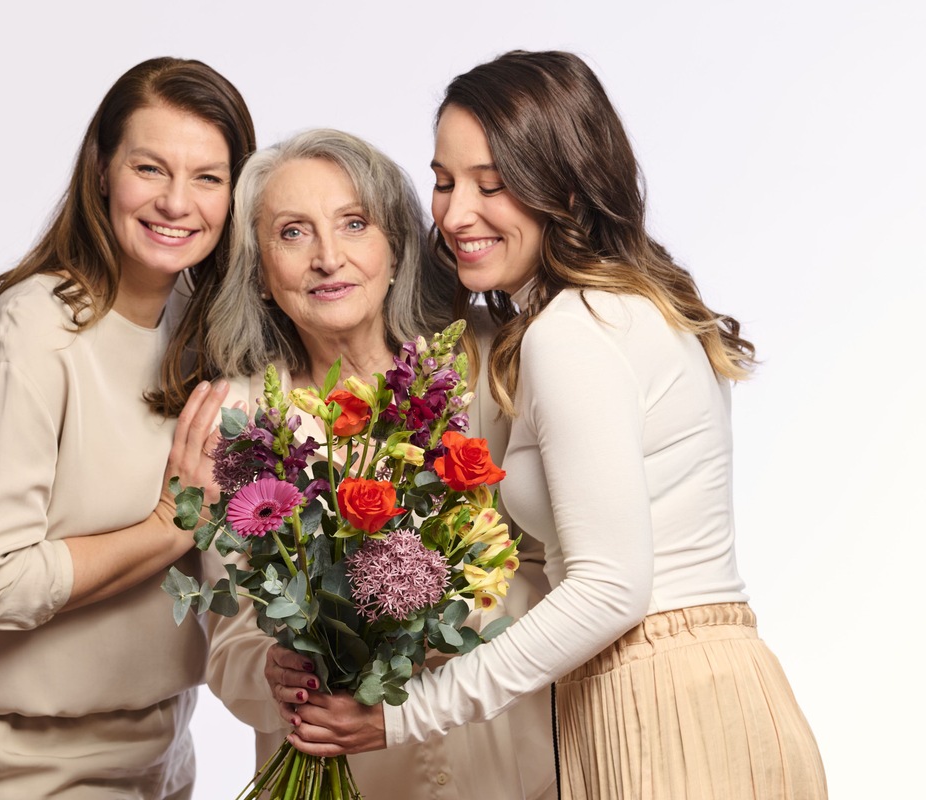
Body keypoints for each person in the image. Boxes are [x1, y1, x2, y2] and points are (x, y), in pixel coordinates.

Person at [268, 52, 829, 799]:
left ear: (563, 186)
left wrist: (402, 717)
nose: (456, 213)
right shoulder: (629, 304)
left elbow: (607, 589)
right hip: (703, 689)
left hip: (658, 707)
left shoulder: (573, 331)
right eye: (444, 181)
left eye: (491, 185)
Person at [0, 57, 255, 799]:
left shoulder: (205, 328)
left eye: (208, 178)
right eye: (150, 168)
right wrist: (166, 528)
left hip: (159, 742)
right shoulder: (38, 327)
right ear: (101, 169)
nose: (176, 202)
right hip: (25, 759)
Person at [202, 128, 557, 800]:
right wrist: (270, 668)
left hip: (511, 767)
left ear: (395, 248)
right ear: (259, 272)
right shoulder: (244, 418)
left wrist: (428, 617)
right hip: (343, 777)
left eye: (353, 224)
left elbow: (563, 569)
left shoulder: (487, 366)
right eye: (293, 233)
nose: (328, 258)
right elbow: (227, 642)